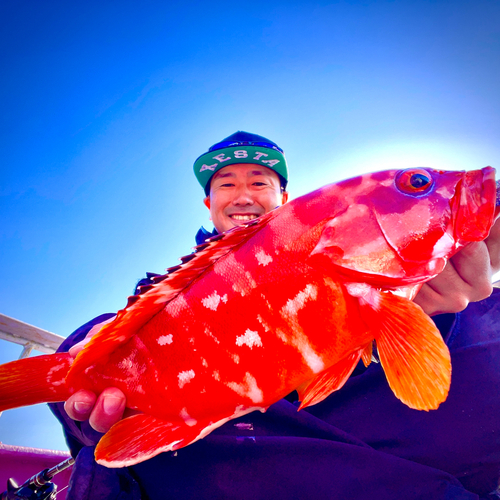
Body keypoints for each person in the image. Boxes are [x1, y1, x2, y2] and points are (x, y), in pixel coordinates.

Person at [51, 131, 500, 499]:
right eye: (225, 184)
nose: (243, 194)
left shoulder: (330, 245)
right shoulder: (156, 295)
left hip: (311, 433)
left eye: (260, 182)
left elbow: (424, 370)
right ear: (209, 204)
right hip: (237, 441)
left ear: (283, 196)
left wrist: (442, 305)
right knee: (88, 346)